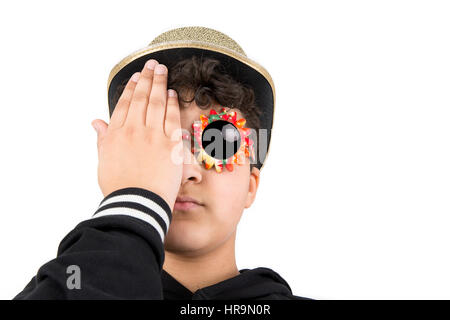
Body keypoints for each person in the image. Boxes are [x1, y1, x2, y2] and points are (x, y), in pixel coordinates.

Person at [13, 26, 309, 300]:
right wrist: (133, 199)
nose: (186, 171)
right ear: (120, 164)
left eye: (218, 143)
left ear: (251, 186)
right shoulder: (65, 284)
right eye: (160, 143)